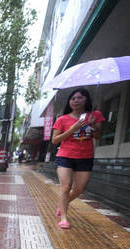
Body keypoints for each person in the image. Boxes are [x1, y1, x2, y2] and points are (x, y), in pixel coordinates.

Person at [51, 88, 105, 229]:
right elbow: (55, 140)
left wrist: (93, 125)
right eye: (73, 98)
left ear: (86, 99)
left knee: (79, 188)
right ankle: (63, 218)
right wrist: (72, 129)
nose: (76, 100)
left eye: (79, 97)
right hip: (65, 155)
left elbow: (98, 136)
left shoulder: (95, 115)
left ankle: (62, 204)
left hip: (85, 156)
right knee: (66, 185)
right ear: (69, 102)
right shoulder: (63, 119)